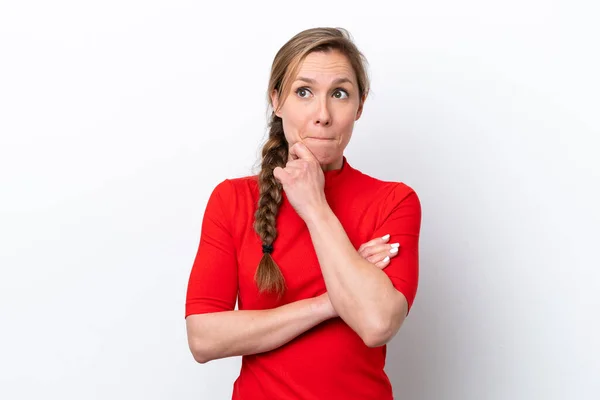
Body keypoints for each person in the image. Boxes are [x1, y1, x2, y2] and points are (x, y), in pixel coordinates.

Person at [185, 27, 422, 399]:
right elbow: (203, 338)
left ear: (359, 106)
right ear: (277, 101)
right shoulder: (231, 199)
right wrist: (332, 302)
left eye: (340, 94)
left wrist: (314, 205)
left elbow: (376, 323)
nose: (322, 115)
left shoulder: (393, 200)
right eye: (304, 92)